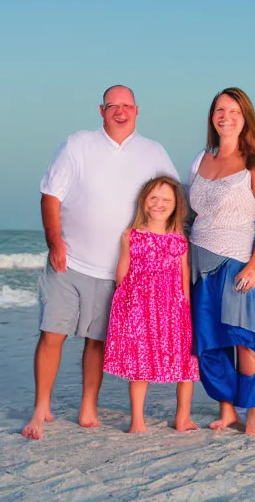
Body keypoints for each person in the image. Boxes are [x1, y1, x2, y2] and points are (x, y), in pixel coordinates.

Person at [22, 85, 180, 440]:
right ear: (101, 110)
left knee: (97, 341)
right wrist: (55, 242)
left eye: (126, 106)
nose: (119, 112)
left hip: (119, 271)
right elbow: (50, 195)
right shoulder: (78, 144)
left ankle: (88, 406)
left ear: (137, 110)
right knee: (52, 333)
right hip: (70, 260)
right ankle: (40, 406)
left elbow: (173, 198)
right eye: (112, 106)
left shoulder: (153, 152)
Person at [188, 87, 255, 437]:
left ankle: (253, 412)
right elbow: (191, 213)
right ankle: (227, 411)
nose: (225, 116)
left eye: (233, 111)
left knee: (244, 338)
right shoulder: (201, 160)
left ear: (246, 119)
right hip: (199, 262)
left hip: (238, 261)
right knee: (209, 340)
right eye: (219, 110)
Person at [103, 176, 199, 433]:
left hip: (173, 309)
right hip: (139, 309)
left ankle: (183, 417)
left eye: (166, 199)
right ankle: (137, 421)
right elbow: (121, 274)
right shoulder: (131, 236)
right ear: (144, 202)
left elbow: (184, 277)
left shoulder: (179, 239)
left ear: (175, 205)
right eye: (154, 198)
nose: (159, 204)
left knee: (185, 364)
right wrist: (124, 308)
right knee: (139, 363)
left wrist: (186, 310)